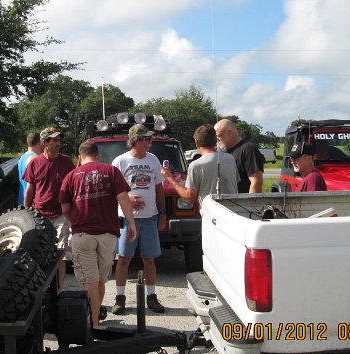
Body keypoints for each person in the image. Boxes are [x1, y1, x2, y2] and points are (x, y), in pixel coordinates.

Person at [60, 142, 137, 326]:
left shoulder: (71, 176)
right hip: (107, 234)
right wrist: (131, 222)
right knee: (100, 280)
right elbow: (123, 198)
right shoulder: (110, 171)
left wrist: (76, 221)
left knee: (90, 282)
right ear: (98, 155)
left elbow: (65, 208)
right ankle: (95, 318)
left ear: (79, 157)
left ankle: (92, 323)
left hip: (82, 234)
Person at [110, 124, 167, 314]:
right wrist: (127, 199)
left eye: (150, 139)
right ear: (135, 141)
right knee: (124, 258)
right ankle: (120, 298)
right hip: (127, 219)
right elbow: (111, 191)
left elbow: (159, 188)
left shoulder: (153, 160)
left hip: (150, 218)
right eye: (147, 139)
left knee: (149, 259)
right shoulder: (120, 161)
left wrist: (163, 214)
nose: (150, 142)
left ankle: (152, 297)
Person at [23, 127, 75, 289]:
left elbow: (74, 187)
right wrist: (27, 212)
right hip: (40, 215)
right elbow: (30, 189)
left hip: (61, 214)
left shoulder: (66, 161)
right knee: (39, 254)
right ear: (44, 142)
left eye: (59, 140)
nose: (59, 143)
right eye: (55, 140)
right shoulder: (35, 162)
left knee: (60, 254)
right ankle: (40, 290)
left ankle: (58, 290)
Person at [162, 124, 239, 209]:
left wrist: (170, 178)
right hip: (233, 214)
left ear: (197, 142)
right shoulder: (230, 158)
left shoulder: (196, 166)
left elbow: (190, 198)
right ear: (215, 140)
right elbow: (236, 181)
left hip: (212, 217)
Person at [214, 119, 264, 193]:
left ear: (230, 132)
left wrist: (250, 203)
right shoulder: (224, 151)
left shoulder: (248, 149)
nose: (217, 140)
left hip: (241, 202)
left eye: (219, 136)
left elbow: (256, 182)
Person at [18, 132, 42, 206]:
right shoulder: (34, 159)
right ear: (40, 143)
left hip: (21, 199)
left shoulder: (22, 157)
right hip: (30, 203)